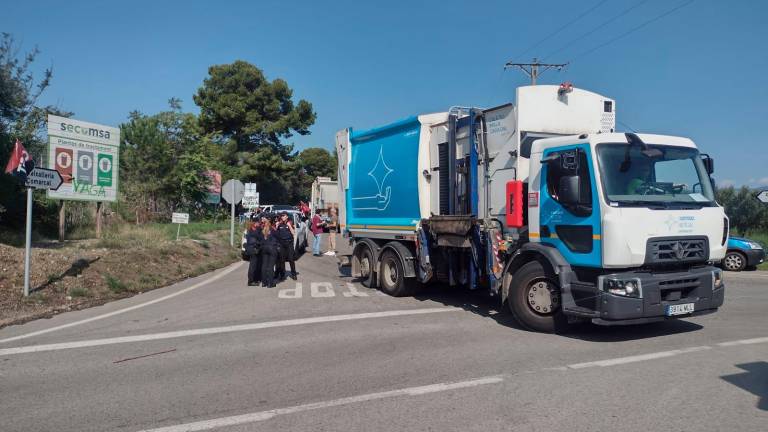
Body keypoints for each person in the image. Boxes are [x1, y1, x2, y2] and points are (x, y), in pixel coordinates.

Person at [275, 212, 297, 281]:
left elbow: (293, 233)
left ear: (287, 216)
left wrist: (289, 226)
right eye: (282, 216)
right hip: (282, 244)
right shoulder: (280, 224)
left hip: (289, 243)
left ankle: (293, 274)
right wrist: (276, 226)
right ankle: (282, 275)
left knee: (291, 259)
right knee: (282, 260)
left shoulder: (290, 222)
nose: (282, 217)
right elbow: (275, 234)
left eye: (284, 216)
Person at [260, 218, 279, 287]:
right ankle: (270, 283)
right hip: (272, 248)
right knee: (271, 266)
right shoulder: (272, 230)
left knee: (264, 266)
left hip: (264, 248)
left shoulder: (262, 230)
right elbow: (278, 236)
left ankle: (264, 282)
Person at [244, 215, 263, 286]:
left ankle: (255, 279)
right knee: (253, 266)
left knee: (255, 265)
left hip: (254, 249)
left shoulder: (255, 229)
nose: (259, 224)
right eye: (258, 223)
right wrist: (259, 243)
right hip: (252, 250)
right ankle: (250, 281)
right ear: (255, 223)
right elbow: (253, 241)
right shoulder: (251, 231)